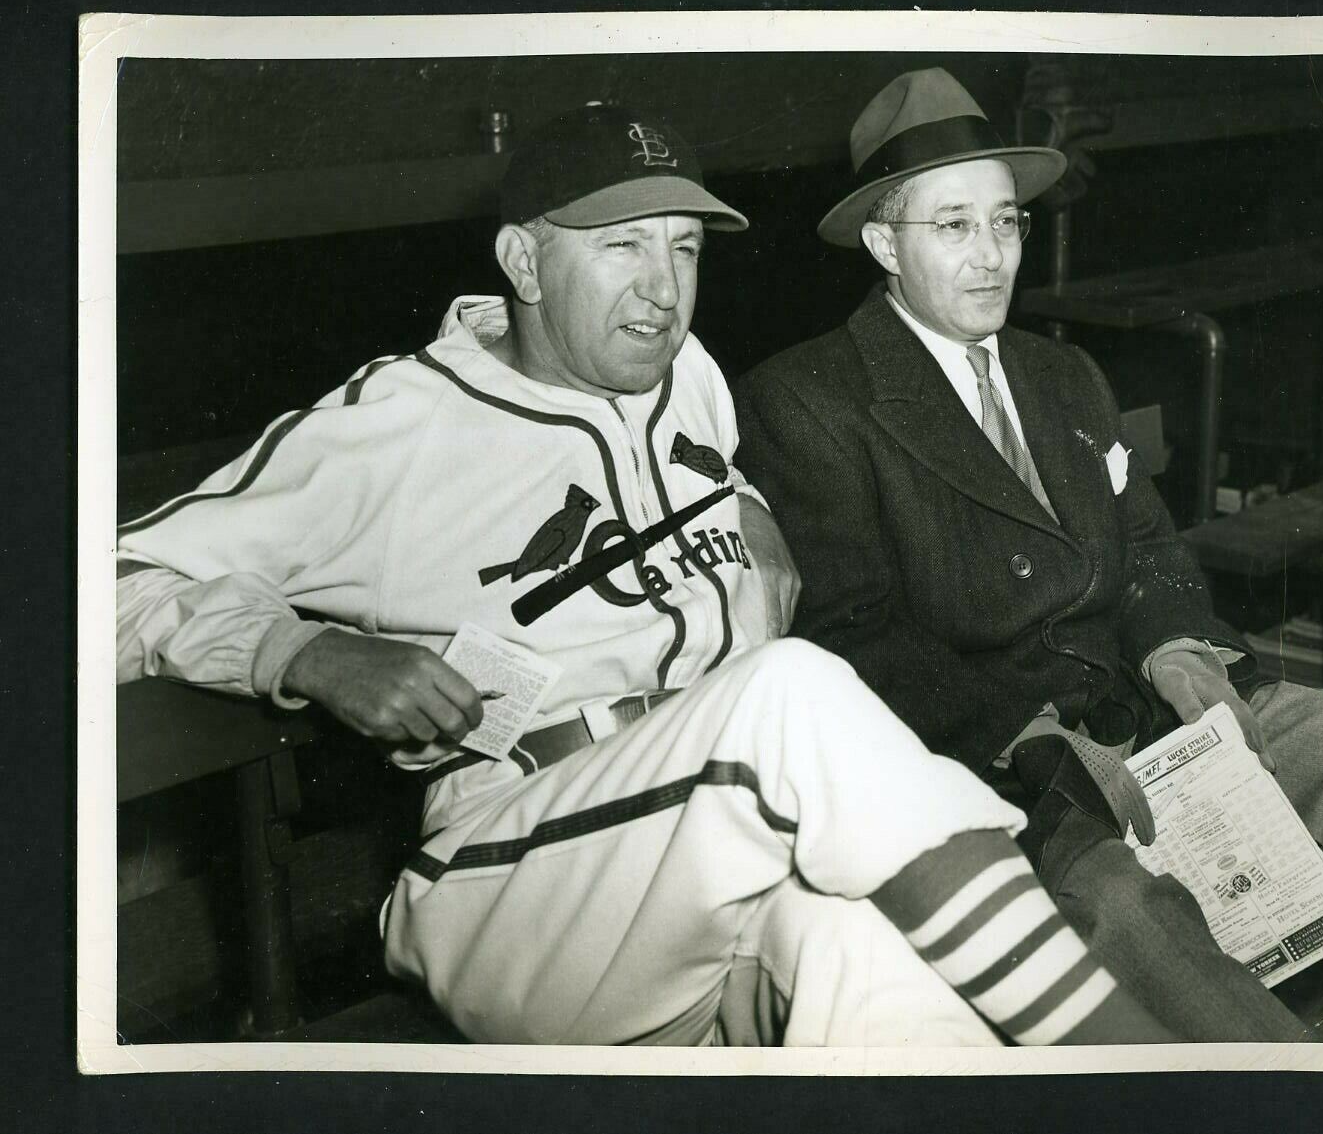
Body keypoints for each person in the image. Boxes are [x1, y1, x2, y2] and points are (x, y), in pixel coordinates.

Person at [116, 102, 1178, 1047]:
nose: (662, 288)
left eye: (682, 247)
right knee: (790, 687)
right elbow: (105, 581)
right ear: (523, 264)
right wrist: (299, 645)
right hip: (523, 879)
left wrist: (752, 513)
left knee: (872, 960)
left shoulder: (692, 380)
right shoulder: (399, 423)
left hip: (715, 871)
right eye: (620, 245)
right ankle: (1128, 1063)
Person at [733, 68, 1323, 1042]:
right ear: (880, 242)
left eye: (1005, 222)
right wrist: (1032, 734)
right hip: (1004, 759)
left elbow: (1150, 546)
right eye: (952, 226)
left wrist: (1176, 646)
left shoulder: (1060, 371)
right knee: (1127, 903)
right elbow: (852, 637)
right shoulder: (809, 398)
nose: (991, 255)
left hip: (1148, 707)